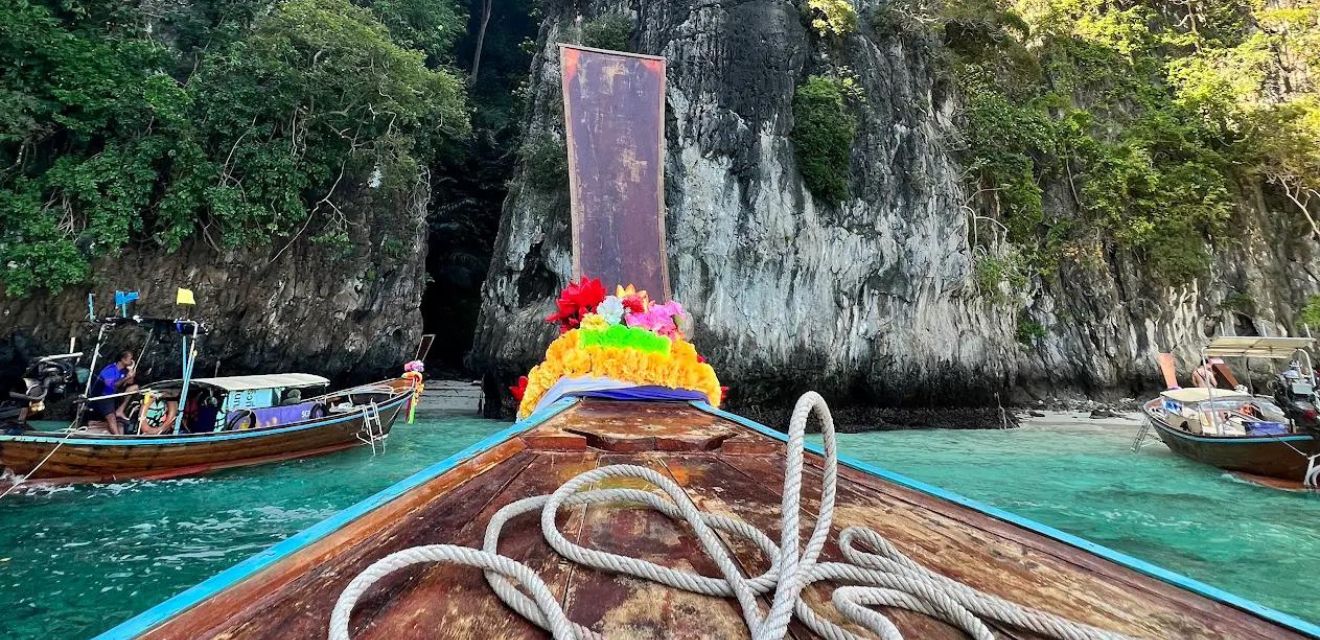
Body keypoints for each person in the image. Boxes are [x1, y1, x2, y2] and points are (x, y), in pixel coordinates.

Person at [91, 350, 138, 435]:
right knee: (111, 417)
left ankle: (120, 410)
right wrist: (126, 378)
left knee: (134, 388)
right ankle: (117, 437)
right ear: (122, 359)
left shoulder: (124, 370)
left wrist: (131, 371)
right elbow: (112, 385)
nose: (131, 361)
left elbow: (130, 382)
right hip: (104, 396)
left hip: (115, 395)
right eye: (130, 359)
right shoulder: (110, 370)